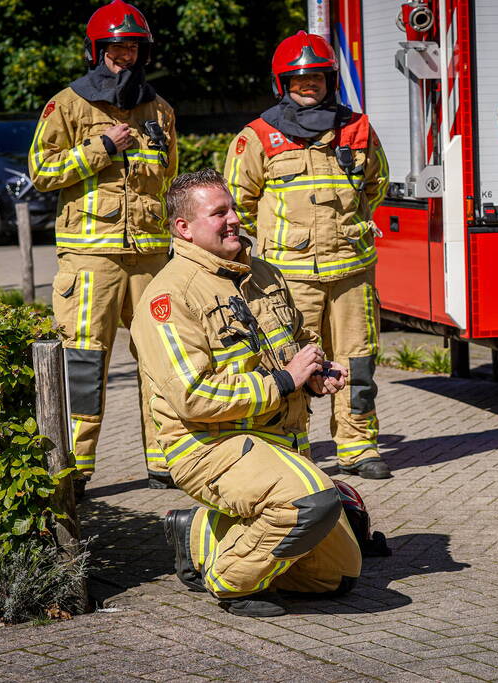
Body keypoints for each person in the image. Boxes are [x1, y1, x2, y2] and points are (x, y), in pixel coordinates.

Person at [132, 169, 362, 616]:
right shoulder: (168, 295)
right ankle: (227, 582)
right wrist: (283, 382)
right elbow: (193, 396)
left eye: (233, 208)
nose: (235, 219)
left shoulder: (264, 275)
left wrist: (314, 377)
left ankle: (199, 531)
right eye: (219, 213)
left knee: (337, 576)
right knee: (310, 501)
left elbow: (291, 348)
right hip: (207, 446)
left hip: (277, 443)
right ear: (185, 228)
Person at [223, 31, 392, 479]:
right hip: (290, 275)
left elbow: (378, 183)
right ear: (283, 83)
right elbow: (237, 202)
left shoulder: (357, 128)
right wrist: (270, 248)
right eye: (299, 79)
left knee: (358, 358)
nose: (309, 85)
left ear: (329, 81)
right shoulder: (258, 136)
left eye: (316, 78)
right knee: (296, 361)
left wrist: (352, 224)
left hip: (352, 269)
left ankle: (359, 447)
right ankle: (295, 453)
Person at [29, 0, 178, 495]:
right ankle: (77, 469)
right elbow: (41, 172)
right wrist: (103, 148)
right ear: (97, 50)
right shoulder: (66, 105)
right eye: (116, 46)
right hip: (89, 258)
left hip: (152, 257)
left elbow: (169, 176)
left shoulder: (160, 110)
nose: (125, 54)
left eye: (132, 46)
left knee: (162, 358)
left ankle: (166, 460)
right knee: (86, 363)